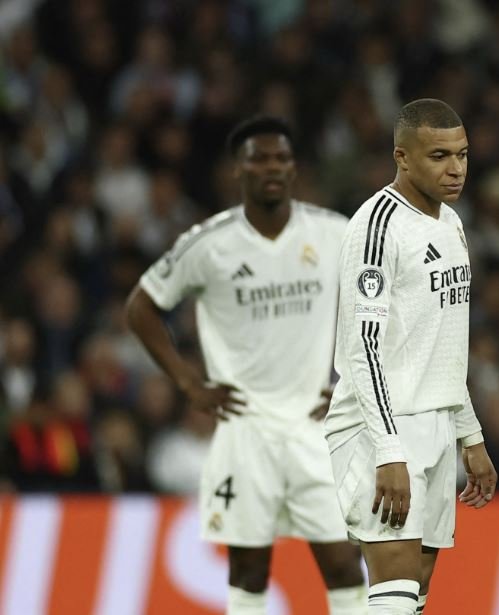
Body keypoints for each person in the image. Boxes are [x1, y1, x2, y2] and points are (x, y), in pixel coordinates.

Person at [125, 116, 366, 614]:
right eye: (259, 158)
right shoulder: (210, 243)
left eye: (281, 157)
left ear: (294, 167)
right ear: (238, 169)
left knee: (344, 561)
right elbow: (140, 307)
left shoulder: (334, 232)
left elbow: (378, 301)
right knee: (250, 569)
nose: (272, 167)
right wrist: (188, 382)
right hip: (244, 428)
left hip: (313, 428)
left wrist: (353, 379)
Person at [325, 98, 498, 615]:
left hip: (438, 425)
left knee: (412, 599)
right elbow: (364, 350)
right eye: (439, 156)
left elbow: (443, 345)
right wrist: (389, 449)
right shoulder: (377, 227)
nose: (456, 169)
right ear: (402, 157)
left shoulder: (451, 224)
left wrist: (470, 435)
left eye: (463, 155)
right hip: (380, 427)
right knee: (395, 594)